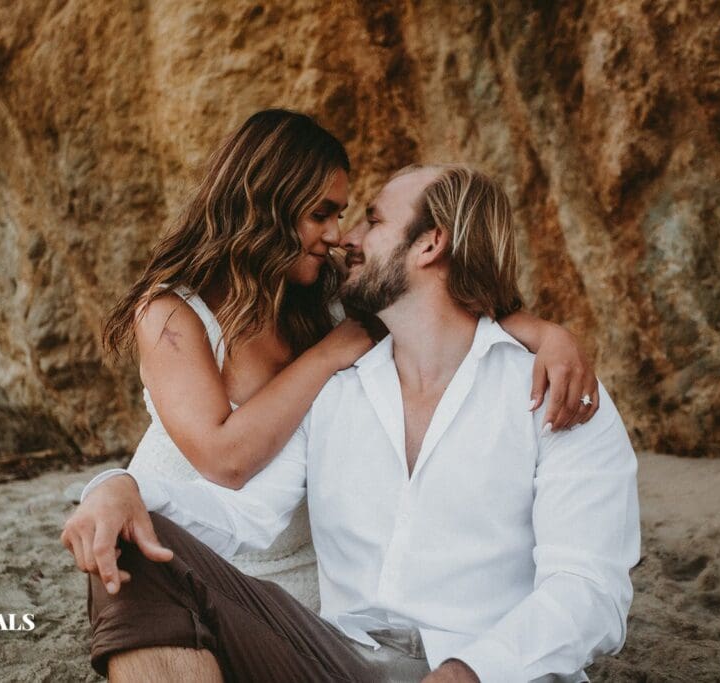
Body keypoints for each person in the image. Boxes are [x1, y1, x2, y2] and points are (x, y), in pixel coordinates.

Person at [64, 164, 641, 682]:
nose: (349, 240)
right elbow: (245, 516)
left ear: (430, 243)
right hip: (339, 662)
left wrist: (470, 671)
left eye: (372, 220)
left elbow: (590, 590)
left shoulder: (556, 394)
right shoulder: (338, 386)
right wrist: (122, 489)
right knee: (135, 547)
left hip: (489, 670)